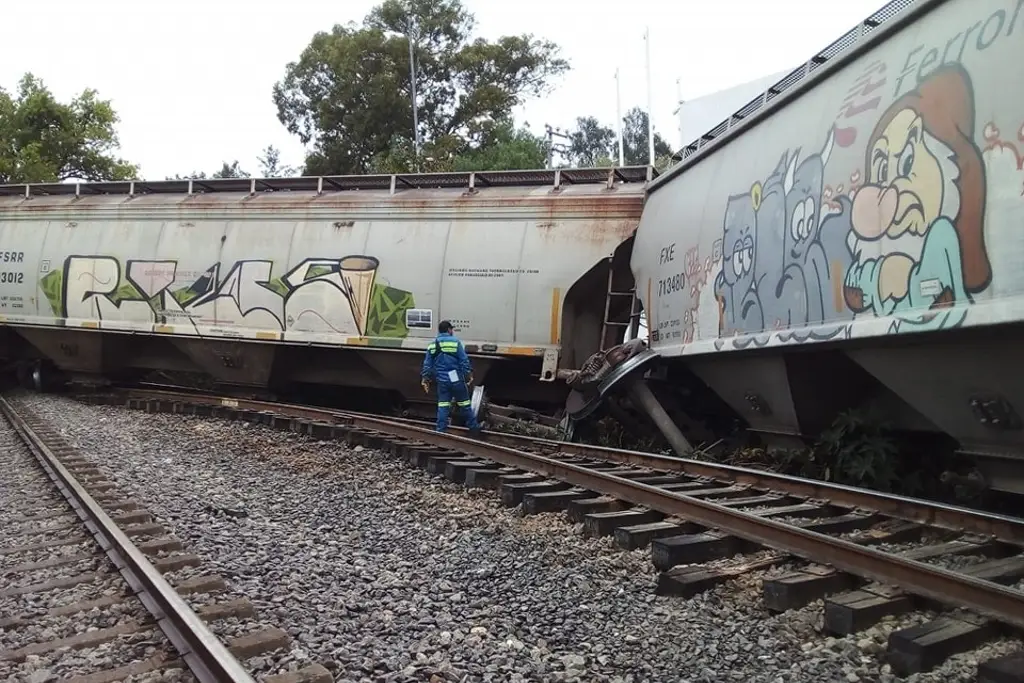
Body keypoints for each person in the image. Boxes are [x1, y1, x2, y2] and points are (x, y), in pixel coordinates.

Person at [421, 320, 482, 434]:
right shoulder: (455, 342)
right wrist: (468, 375)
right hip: (456, 379)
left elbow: (427, 364)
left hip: (442, 381)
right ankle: (473, 427)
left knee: (443, 405)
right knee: (464, 403)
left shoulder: (432, 345)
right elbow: (464, 361)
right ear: (449, 330)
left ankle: (441, 431)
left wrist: (425, 379)